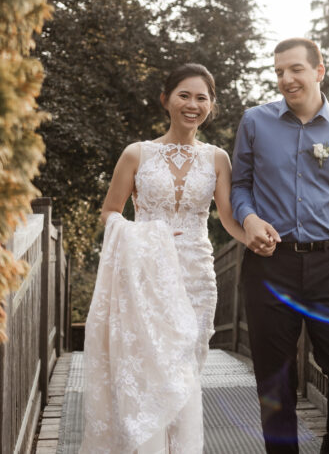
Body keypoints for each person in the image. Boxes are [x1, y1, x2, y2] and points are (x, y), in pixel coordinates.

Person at [231, 38, 329, 454]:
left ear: (319, 71)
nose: (286, 79)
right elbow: (239, 186)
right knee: (276, 380)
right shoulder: (255, 121)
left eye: (295, 69)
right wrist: (248, 218)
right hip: (269, 267)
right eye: (279, 71)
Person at [81, 63, 249, 453]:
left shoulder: (218, 159)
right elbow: (110, 212)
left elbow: (226, 218)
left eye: (201, 98)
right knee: (147, 370)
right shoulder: (137, 153)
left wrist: (254, 239)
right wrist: (142, 235)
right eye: (184, 95)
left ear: (211, 106)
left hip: (195, 277)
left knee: (186, 371)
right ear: (166, 100)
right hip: (146, 275)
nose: (192, 104)